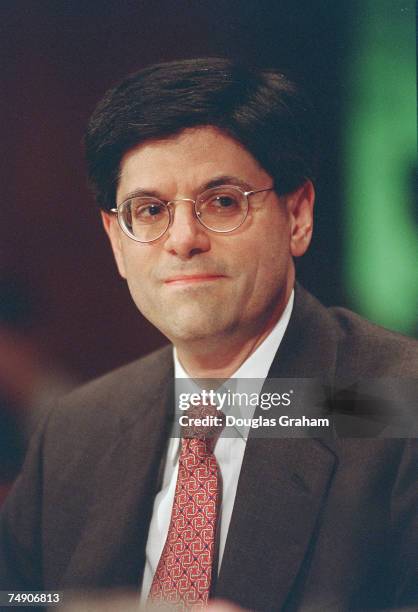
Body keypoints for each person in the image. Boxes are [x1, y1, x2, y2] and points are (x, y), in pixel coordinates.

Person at [0, 58, 417, 611]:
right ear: (116, 240)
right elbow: (22, 597)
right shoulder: (78, 428)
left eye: (222, 202)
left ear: (298, 216)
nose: (183, 239)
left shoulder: (395, 403)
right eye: (148, 210)